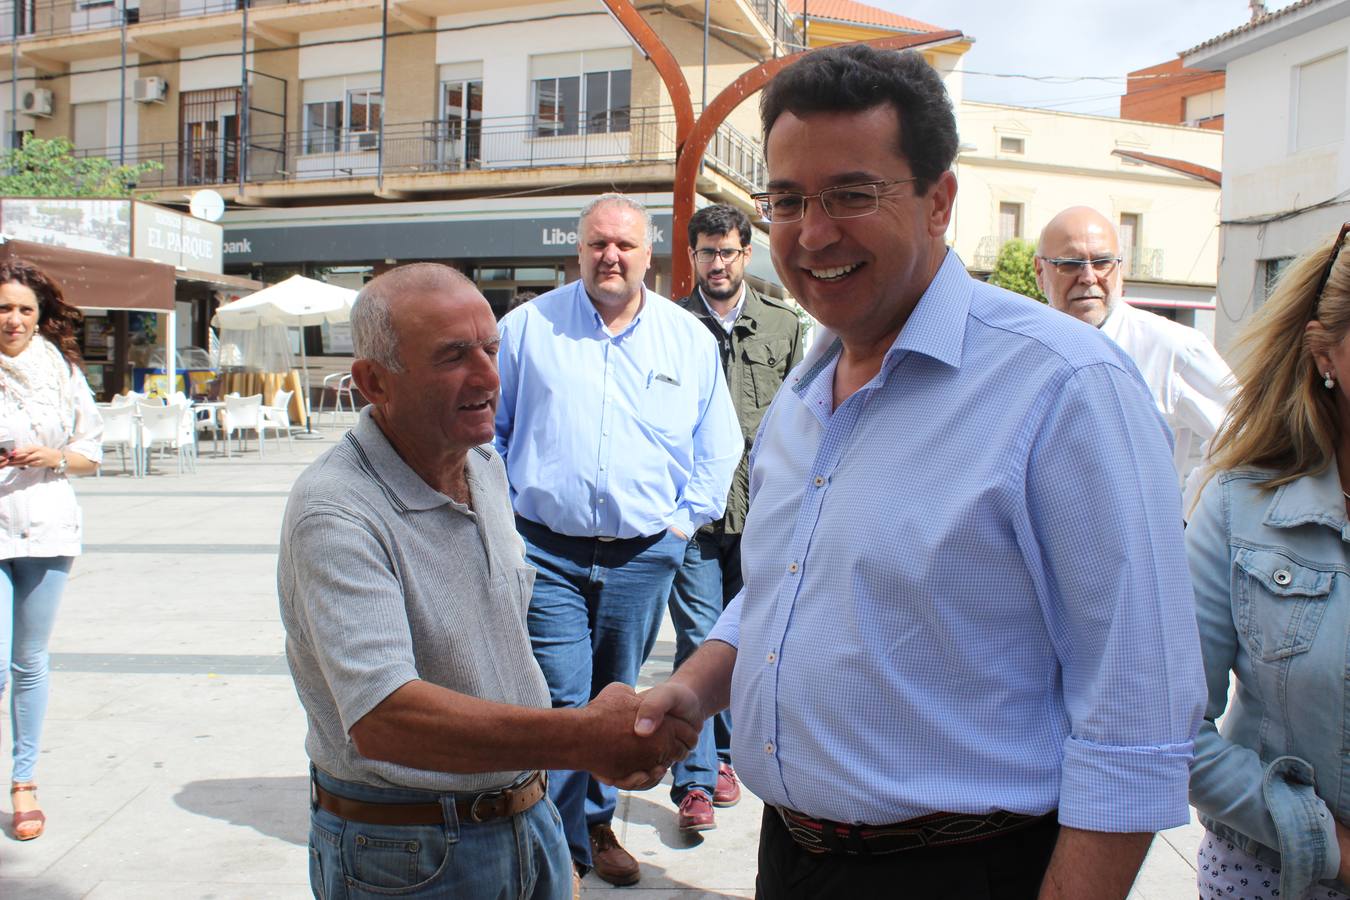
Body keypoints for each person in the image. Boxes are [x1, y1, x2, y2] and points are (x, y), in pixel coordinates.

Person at [633, 45, 1206, 899]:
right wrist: (693, 686)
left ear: (940, 202)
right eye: (787, 199)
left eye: (852, 195)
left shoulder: (1064, 387)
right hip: (791, 860)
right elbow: (786, 584)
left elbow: (1137, 706)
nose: (812, 231)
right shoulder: (806, 387)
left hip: (969, 871)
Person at [277, 263, 696, 900]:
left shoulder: (483, 465)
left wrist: (538, 825)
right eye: (452, 356)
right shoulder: (336, 510)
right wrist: (583, 737)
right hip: (410, 851)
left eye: (491, 349)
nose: (488, 377)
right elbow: (384, 717)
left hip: (520, 819)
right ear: (373, 382)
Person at [494, 194, 742, 885]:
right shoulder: (526, 329)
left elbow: (717, 446)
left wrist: (677, 527)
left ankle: (595, 823)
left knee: (618, 697)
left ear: (648, 255)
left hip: (643, 556)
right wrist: (506, 524)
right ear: (578, 251)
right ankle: (565, 853)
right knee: (565, 699)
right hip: (547, 550)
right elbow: (493, 435)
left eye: (625, 246)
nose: (610, 256)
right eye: (598, 244)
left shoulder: (686, 339)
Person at [1186, 223, 1350, 900]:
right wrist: (1323, 840)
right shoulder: (1239, 507)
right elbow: (1169, 727)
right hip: (1276, 879)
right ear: (1324, 353)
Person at [666, 203, 803, 832]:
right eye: (705, 253)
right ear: (691, 257)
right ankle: (694, 781)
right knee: (700, 640)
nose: (716, 264)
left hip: (763, 517)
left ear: (747, 255)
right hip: (694, 519)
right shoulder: (668, 326)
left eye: (727, 252)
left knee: (750, 644)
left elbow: (806, 418)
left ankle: (725, 757)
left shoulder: (785, 327)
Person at [0, 259, 102, 842]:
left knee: (30, 661)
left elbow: (91, 453)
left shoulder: (62, 371)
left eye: (24, 309)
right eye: (5, 308)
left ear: (40, 316)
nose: (14, 319)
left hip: (47, 528)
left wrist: (54, 457)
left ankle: (24, 782)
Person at [1035, 206, 1234, 495]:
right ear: (1040, 271)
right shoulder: (1023, 345)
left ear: (1121, 269)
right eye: (1070, 263)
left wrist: (1190, 512)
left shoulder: (1171, 347)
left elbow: (1246, 436)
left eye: (1103, 261)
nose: (1089, 277)